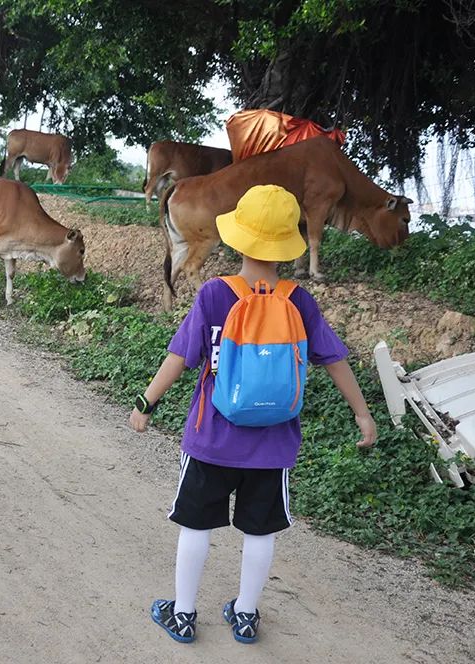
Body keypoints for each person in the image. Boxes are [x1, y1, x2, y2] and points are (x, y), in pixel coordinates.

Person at [129, 185, 377, 644]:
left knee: (196, 524)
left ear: (237, 238)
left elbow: (180, 357)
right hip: (274, 443)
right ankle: (245, 614)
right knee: (260, 531)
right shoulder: (299, 301)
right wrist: (362, 413)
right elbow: (334, 358)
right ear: (288, 244)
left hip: (212, 437)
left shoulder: (215, 295)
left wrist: (146, 401)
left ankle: (183, 613)